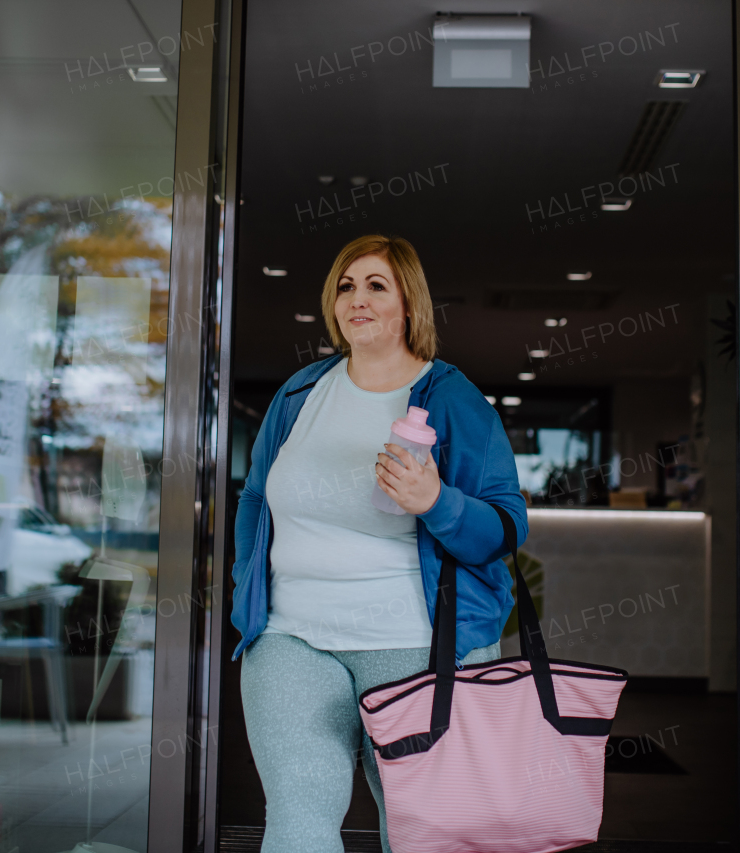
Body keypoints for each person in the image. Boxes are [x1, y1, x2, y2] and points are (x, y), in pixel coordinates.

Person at [230, 235, 529, 853]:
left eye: (375, 285)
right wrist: (245, 587)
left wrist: (435, 502)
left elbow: (506, 526)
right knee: (296, 821)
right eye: (345, 286)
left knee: (421, 831)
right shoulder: (299, 394)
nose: (356, 299)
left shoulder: (452, 398)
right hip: (291, 638)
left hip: (413, 643)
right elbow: (256, 498)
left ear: (410, 304)